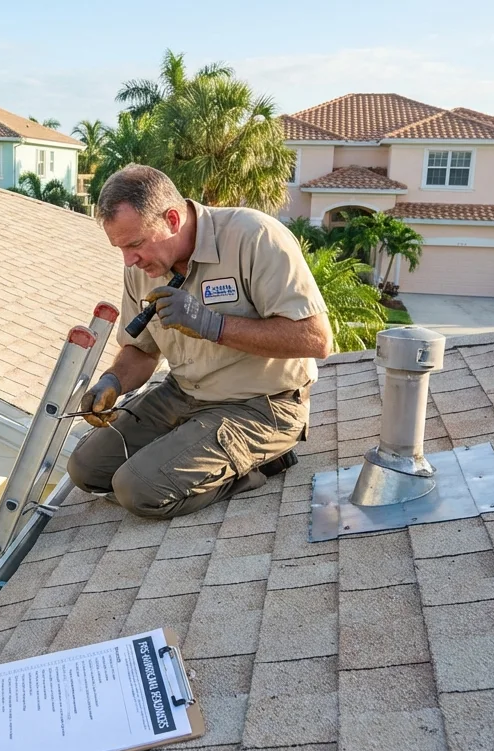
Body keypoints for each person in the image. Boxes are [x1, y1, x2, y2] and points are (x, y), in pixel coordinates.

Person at [67, 164, 332, 519]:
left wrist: (212, 325)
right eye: (121, 248)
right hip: (184, 394)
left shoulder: (254, 237)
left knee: (138, 490)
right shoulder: (141, 268)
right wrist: (113, 381)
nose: (129, 260)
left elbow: (316, 339)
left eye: (135, 244)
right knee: (86, 470)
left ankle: (261, 465)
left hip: (262, 404)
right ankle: (195, 451)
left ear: (173, 219)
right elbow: (140, 350)